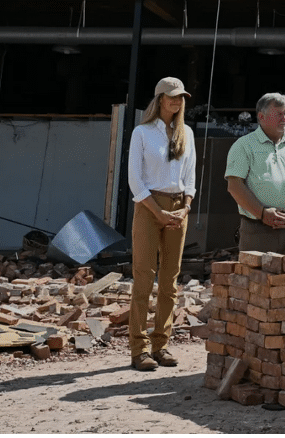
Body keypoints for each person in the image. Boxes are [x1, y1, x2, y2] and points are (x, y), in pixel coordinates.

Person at [127, 77, 195, 372]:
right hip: (148, 205)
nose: (177, 101)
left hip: (179, 208)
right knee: (143, 276)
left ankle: (161, 345)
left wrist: (186, 208)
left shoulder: (187, 133)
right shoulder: (142, 133)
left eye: (180, 97)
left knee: (170, 281)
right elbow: (134, 179)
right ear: (159, 100)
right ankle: (138, 349)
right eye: (172, 97)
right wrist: (157, 212)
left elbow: (190, 175)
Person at [225, 92, 285, 254]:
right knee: (256, 277)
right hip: (257, 229)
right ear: (261, 116)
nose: (284, 118)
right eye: (279, 114)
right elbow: (234, 186)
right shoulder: (244, 145)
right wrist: (262, 213)